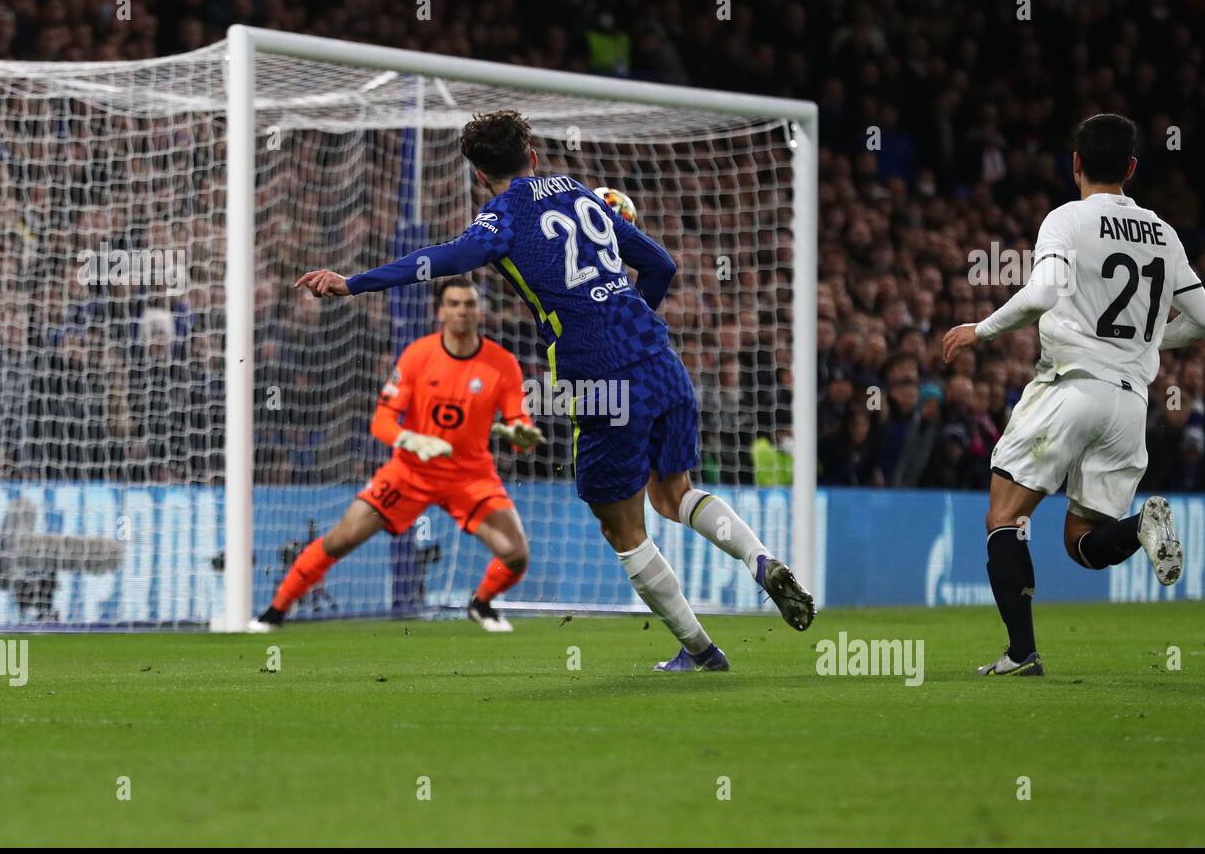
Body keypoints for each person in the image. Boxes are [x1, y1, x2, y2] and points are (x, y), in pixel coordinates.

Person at [294, 109, 815, 672]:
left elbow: (438, 261)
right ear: (533, 156)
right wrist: (631, 319)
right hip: (659, 358)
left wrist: (354, 282)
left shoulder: (500, 220)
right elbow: (660, 265)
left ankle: (701, 652)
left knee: (621, 523)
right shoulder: (583, 195)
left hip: (598, 374)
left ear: (478, 174)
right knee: (675, 493)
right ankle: (760, 561)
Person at [943, 114, 1205, 676]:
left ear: (1075, 163)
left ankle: (1021, 654)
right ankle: (1141, 527)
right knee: (1082, 542)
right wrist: (1147, 341)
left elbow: (1042, 293)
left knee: (1003, 516)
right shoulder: (1163, 232)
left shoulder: (1066, 219)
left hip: (1070, 386)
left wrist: (981, 330)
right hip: (1129, 404)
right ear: (1132, 168)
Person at [255, 278, 544, 633]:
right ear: (440, 311)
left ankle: (481, 603)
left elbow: (519, 425)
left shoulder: (502, 364)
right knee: (342, 538)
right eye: (454, 304)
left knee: (516, 554)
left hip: (470, 476)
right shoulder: (418, 356)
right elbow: (382, 422)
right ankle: (275, 612)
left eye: (469, 304)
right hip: (410, 472)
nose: (462, 311)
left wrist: (522, 435)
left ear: (479, 310)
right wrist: (411, 440)